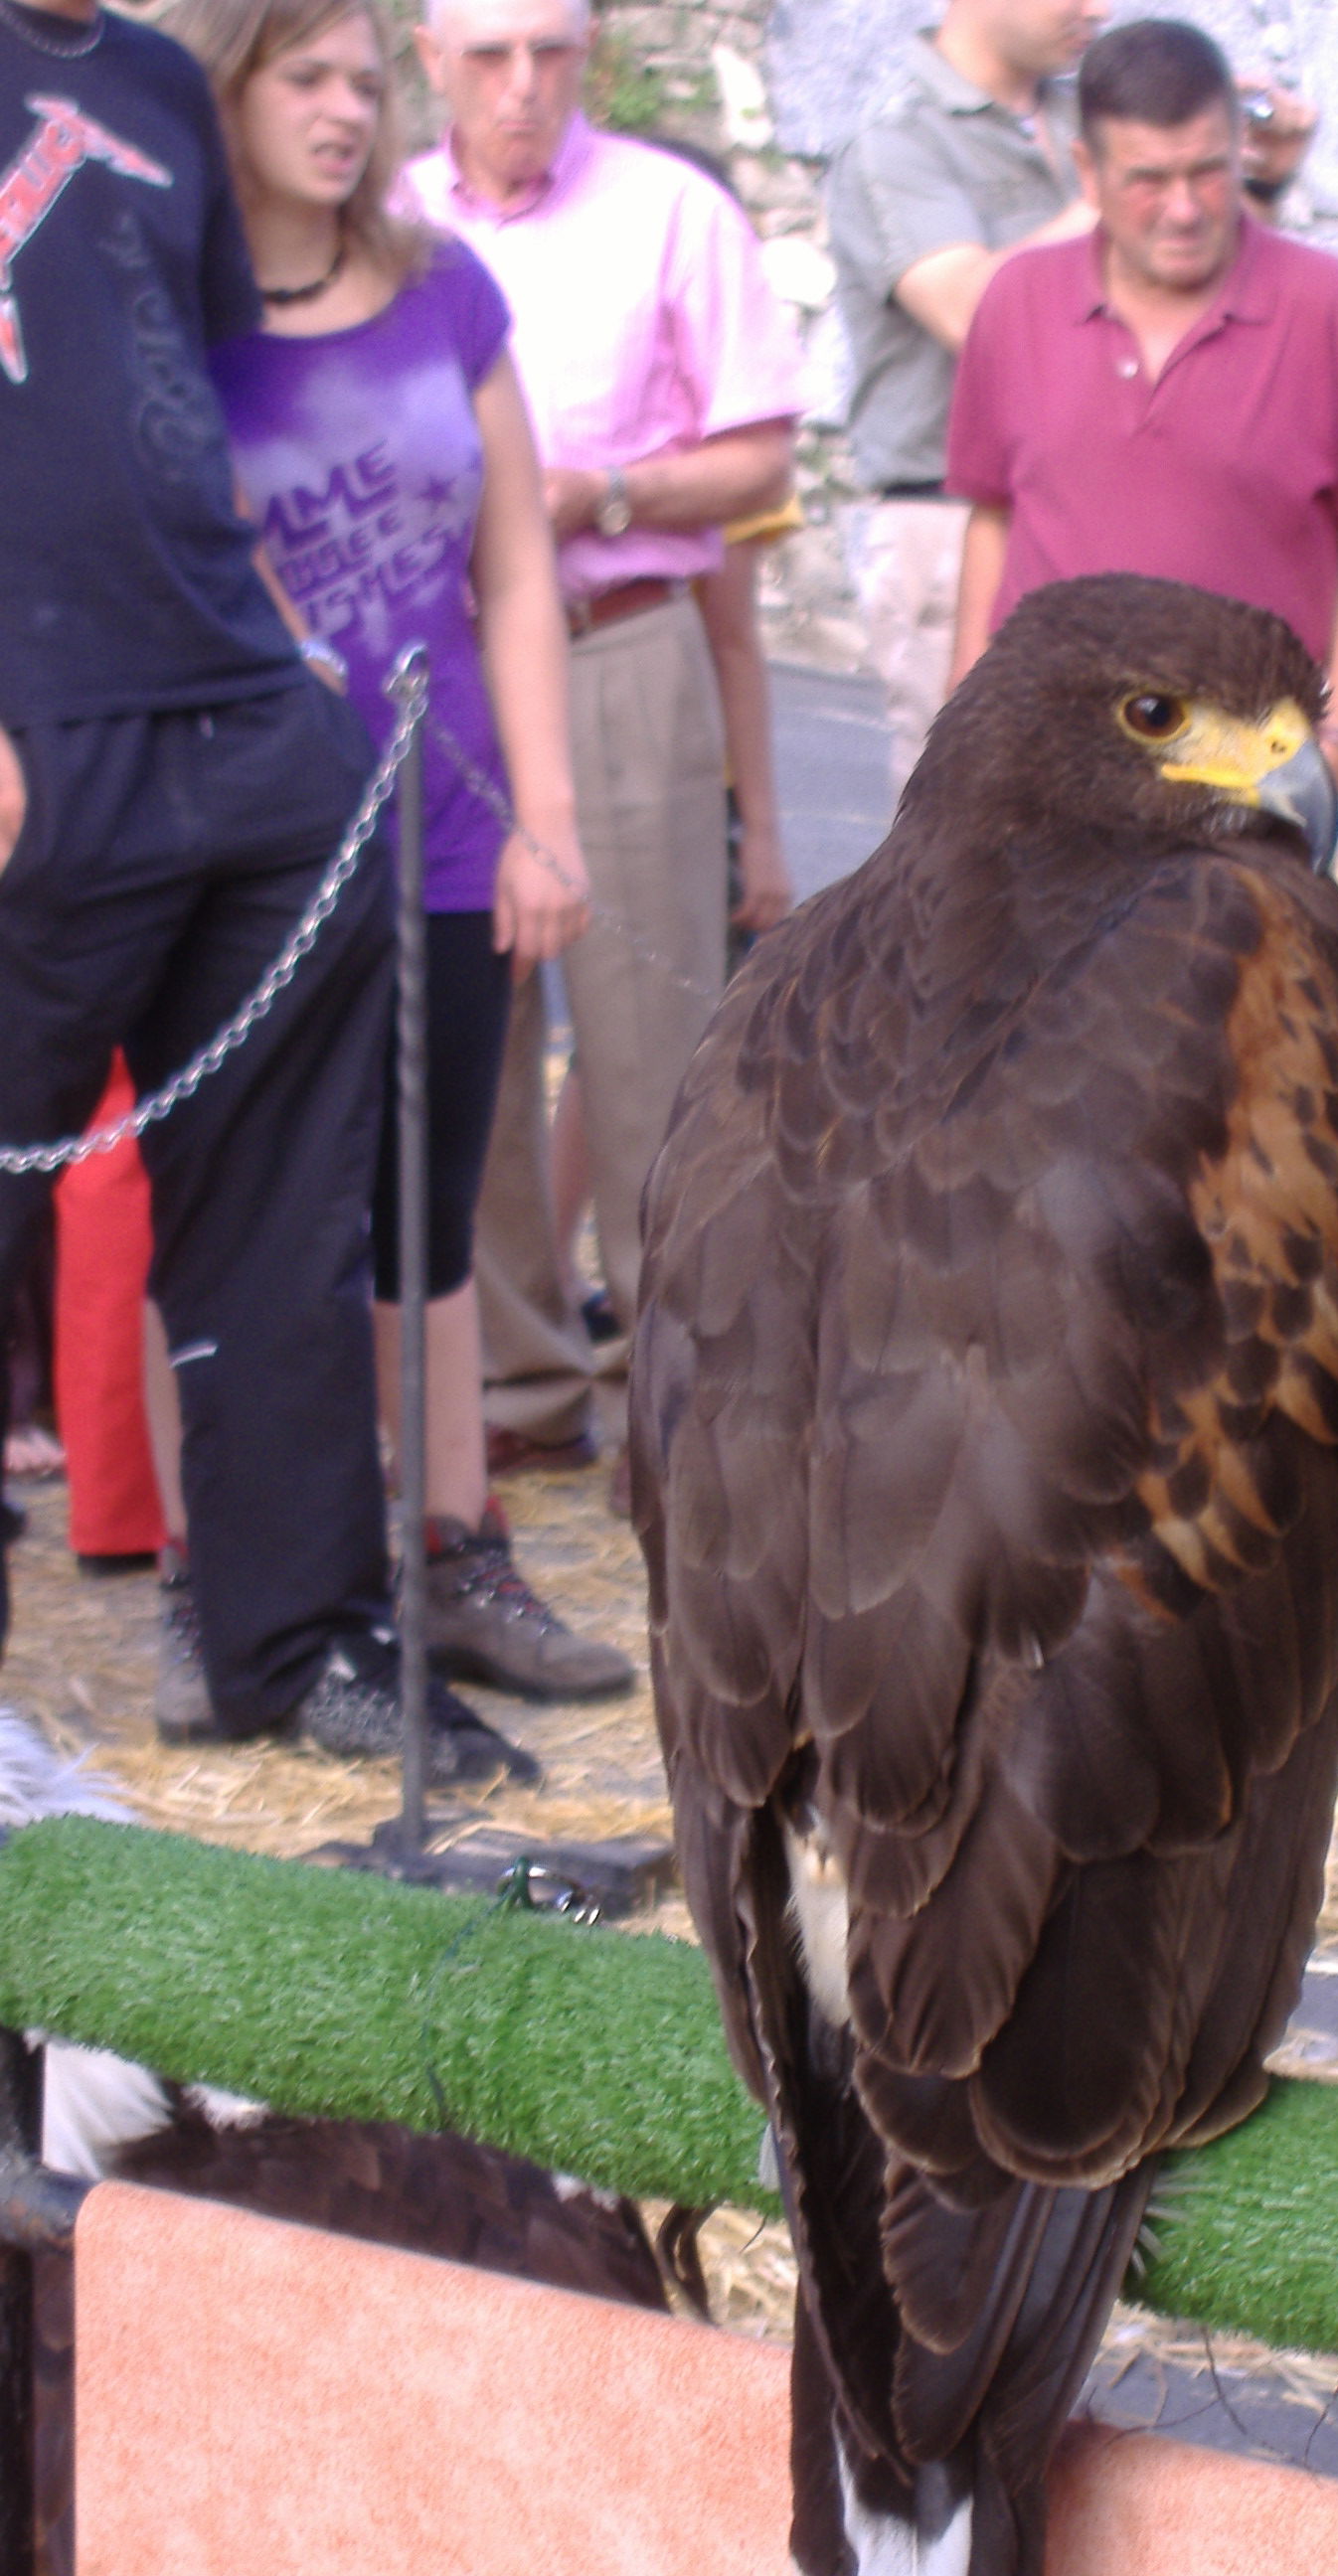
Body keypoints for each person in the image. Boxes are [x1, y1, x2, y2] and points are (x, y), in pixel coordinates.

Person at [0, 0, 536, 1781]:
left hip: (241, 714)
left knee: (292, 1215)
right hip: (34, 727)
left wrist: (288, 672)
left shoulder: (152, 82)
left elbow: (167, 394)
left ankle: (294, 1647)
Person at [161, 0, 634, 1714]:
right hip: (240, 847)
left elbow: (516, 567)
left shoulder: (444, 290)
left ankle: (449, 1553)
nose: (348, 110)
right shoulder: (163, 307)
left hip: (442, 830)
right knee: (243, 1221)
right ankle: (220, 1588)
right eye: (308, 77)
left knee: (422, 1212)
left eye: (366, 79)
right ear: (223, 86)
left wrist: (541, 819)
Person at [405, 0, 803, 1434]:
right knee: (470, 1032)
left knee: (656, 1029)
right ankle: (516, 1379)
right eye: (493, 54)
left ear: (590, 56)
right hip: (437, 663)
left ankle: (680, 1381)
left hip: (622, 641)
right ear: (430, 56)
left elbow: (763, 446)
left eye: (552, 52)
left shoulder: (671, 211)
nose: (524, 86)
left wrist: (613, 494)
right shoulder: (383, 217)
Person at [827, 0, 1314, 793]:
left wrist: (1252, 176)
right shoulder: (897, 143)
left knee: (1157, 825)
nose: (1099, 9)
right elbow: (972, 314)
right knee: (977, 842)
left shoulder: (1077, 116)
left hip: (1108, 510)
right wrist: (1134, 176)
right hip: (956, 522)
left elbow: (1201, 294)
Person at [944, 19, 1338, 796]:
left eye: (1208, 172)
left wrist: (1336, 746)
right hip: (1045, 778)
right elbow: (994, 523)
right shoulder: (1016, 302)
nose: (1184, 208)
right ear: (1088, 172)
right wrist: (963, 732)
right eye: (1148, 179)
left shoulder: (1330, 309)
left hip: (1244, 781)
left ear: (1241, 150)